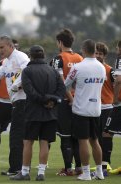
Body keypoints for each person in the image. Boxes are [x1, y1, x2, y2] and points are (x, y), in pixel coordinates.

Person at [10, 45, 65, 181]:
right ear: (43, 55)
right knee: (45, 142)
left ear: (31, 56)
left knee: (28, 142)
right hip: (50, 113)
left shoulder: (27, 71)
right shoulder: (53, 71)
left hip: (33, 112)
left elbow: (29, 91)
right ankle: (41, 173)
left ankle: (24, 172)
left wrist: (43, 100)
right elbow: (62, 89)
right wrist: (52, 101)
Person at [0, 35, 30, 175]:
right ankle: (16, 168)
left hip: (23, 101)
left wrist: (15, 86)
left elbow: (27, 71)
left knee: (17, 135)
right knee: (15, 135)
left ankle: (16, 168)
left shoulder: (20, 56)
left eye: (2, 47)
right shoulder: (6, 61)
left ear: (10, 46)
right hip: (15, 101)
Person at [65, 39, 106, 180]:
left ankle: (87, 173)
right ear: (94, 50)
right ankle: (100, 172)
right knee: (95, 141)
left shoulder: (78, 67)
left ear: (83, 50)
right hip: (96, 109)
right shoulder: (101, 67)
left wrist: (72, 96)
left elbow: (65, 85)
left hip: (81, 109)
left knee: (83, 141)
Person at [50, 28, 83, 176]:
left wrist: (70, 100)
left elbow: (61, 83)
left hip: (65, 102)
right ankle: (79, 168)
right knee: (77, 136)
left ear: (60, 42)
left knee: (65, 136)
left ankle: (68, 169)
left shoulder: (59, 58)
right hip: (80, 102)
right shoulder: (79, 58)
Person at [0, 39, 19, 169]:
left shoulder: (21, 61)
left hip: (17, 102)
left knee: (20, 133)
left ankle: (21, 162)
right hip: (3, 103)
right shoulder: (2, 63)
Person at [93, 42, 114, 176]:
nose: (98, 56)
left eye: (100, 54)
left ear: (105, 55)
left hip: (107, 108)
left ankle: (105, 166)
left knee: (106, 137)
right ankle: (99, 167)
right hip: (94, 108)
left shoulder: (110, 70)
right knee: (96, 139)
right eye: (96, 53)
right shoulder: (91, 70)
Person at [104, 40, 121, 174]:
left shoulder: (119, 59)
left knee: (107, 131)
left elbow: (118, 80)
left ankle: (105, 165)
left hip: (119, 103)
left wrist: (115, 99)